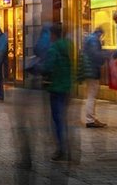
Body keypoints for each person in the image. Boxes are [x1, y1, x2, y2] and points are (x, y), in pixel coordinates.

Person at [43, 23, 73, 162]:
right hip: (67, 86)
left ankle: (61, 148)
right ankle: (67, 146)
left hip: (56, 87)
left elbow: (48, 67)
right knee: (63, 117)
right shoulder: (68, 45)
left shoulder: (53, 49)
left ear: (53, 34)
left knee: (57, 119)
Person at [81, 26, 108, 128]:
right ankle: (90, 119)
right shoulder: (94, 40)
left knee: (91, 95)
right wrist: (106, 55)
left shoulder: (90, 38)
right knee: (92, 95)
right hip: (92, 70)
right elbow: (96, 55)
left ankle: (91, 118)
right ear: (100, 33)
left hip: (89, 70)